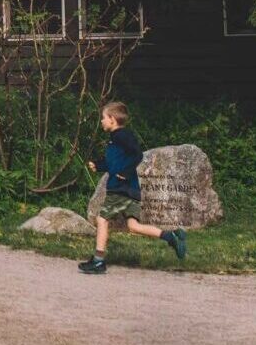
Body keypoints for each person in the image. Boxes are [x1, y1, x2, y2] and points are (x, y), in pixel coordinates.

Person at [80, 101, 187, 274]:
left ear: (113, 120)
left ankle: (98, 261)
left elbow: (137, 154)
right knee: (133, 226)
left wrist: (126, 173)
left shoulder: (121, 136)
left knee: (102, 220)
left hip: (120, 189)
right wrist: (98, 165)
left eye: (103, 118)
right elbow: (114, 162)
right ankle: (170, 236)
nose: (101, 121)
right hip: (132, 190)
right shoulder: (117, 139)